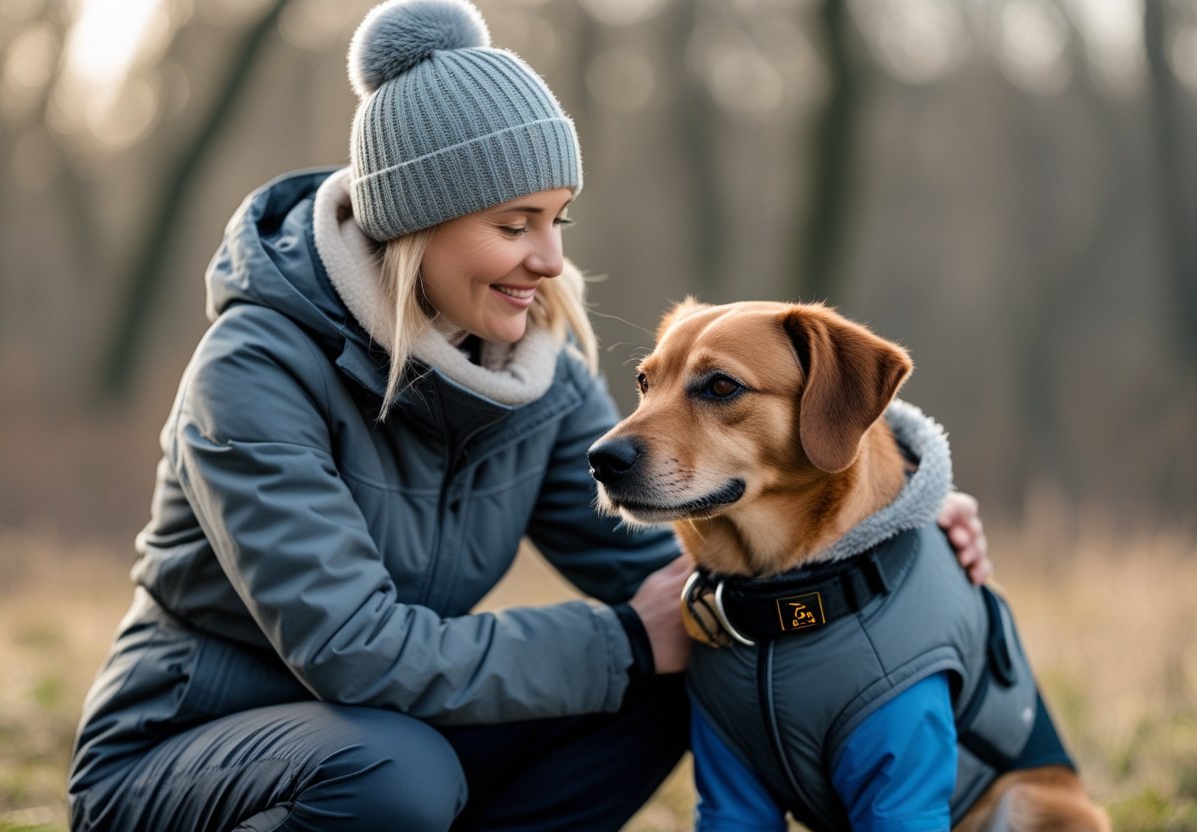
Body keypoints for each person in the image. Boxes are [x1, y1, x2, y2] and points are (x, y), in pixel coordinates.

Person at [66, 1, 991, 830]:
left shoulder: (528, 373)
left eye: (559, 221)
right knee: (398, 774)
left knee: (676, 684)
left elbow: (680, 573)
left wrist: (887, 531)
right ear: (414, 225)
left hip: (381, 736)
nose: (548, 260)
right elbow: (352, 650)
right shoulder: (255, 372)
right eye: (515, 226)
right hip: (180, 759)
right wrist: (627, 639)